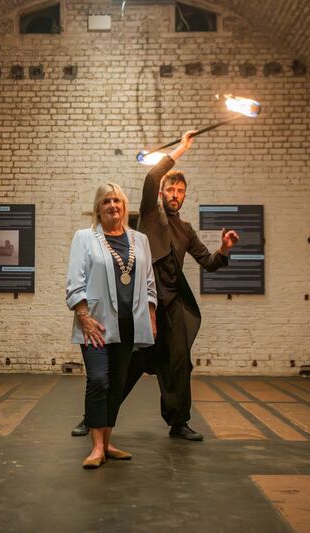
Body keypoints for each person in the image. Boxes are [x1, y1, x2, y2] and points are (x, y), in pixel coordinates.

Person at [71, 131, 239, 441]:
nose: (175, 194)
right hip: (142, 310)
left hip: (172, 311)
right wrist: (182, 148)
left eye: (180, 191)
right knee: (121, 371)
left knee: (179, 366)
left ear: (185, 195)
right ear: (161, 193)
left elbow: (209, 262)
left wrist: (225, 249)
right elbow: (152, 176)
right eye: (170, 189)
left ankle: (179, 422)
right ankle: (93, 419)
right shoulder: (150, 214)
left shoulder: (186, 230)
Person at [66, 182, 157, 468]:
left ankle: (107, 442)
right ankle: (95, 447)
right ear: (98, 207)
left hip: (130, 323)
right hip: (95, 323)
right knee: (98, 380)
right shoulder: (84, 238)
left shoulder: (140, 240)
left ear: (124, 206)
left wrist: (151, 316)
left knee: (117, 384)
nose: (113, 206)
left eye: (117, 200)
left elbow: (150, 282)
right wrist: (82, 315)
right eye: (106, 201)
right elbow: (74, 279)